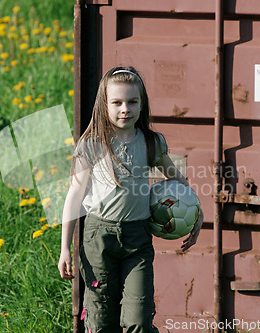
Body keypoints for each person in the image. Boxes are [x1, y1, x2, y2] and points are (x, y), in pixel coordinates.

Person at [58, 66, 202, 333]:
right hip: (98, 239)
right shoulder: (92, 143)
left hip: (137, 240)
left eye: (132, 101)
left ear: (141, 103)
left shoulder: (151, 143)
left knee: (139, 319)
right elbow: (74, 196)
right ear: (104, 105)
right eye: (117, 102)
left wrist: (197, 214)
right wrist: (65, 247)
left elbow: (180, 183)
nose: (125, 108)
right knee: (102, 321)